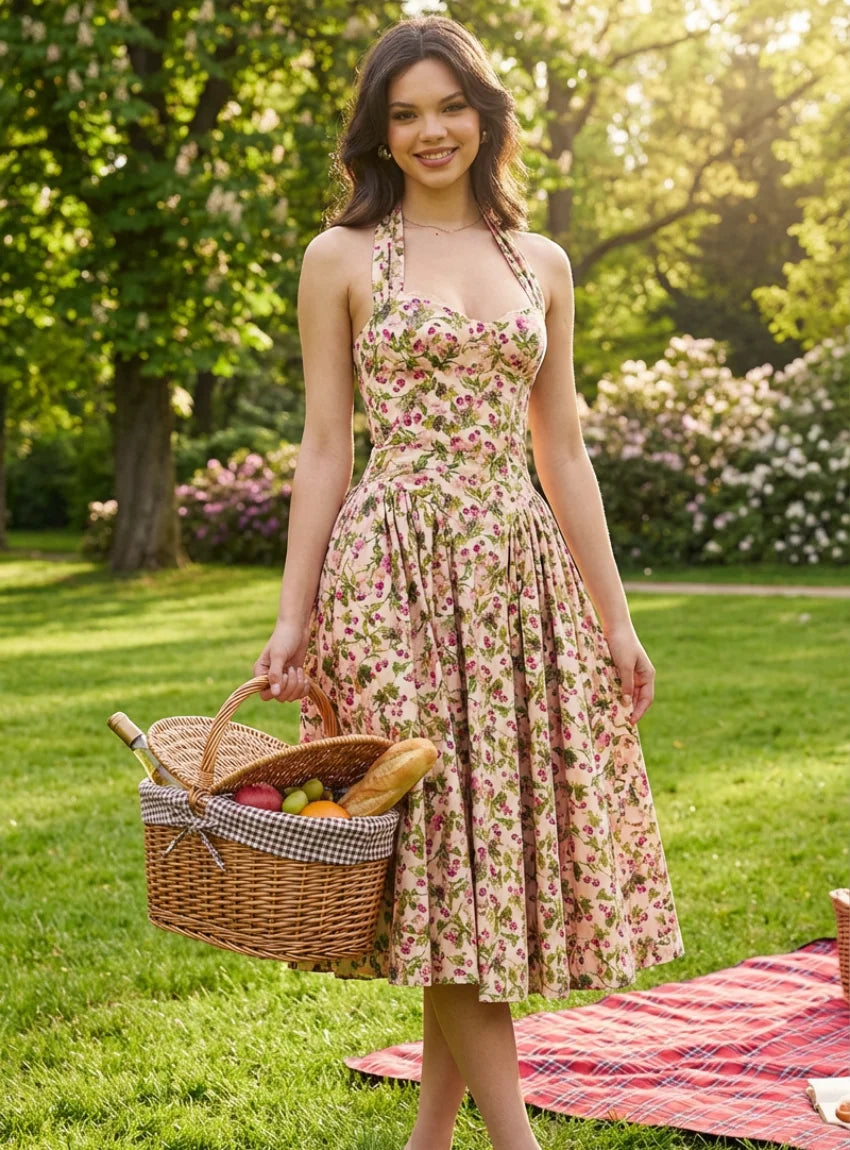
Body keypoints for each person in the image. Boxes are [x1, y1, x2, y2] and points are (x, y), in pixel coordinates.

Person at [254, 15, 684, 1150]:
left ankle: (429, 1142)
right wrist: (294, 616)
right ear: (378, 133)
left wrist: (616, 621)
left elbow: (565, 450)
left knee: (483, 860)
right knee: (449, 856)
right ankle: (515, 1142)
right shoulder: (341, 257)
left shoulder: (537, 261)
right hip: (391, 572)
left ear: (484, 116)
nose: (430, 130)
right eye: (405, 113)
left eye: (449, 106)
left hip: (518, 581)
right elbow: (324, 446)